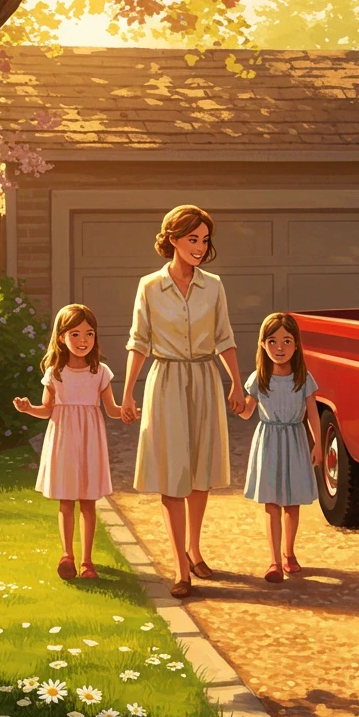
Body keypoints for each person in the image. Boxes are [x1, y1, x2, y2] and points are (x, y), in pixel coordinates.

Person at [121, 205, 245, 599]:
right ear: (172, 239)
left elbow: (224, 337)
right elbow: (138, 342)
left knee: (200, 473)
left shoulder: (215, 286)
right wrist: (127, 393)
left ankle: (194, 549)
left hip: (205, 379)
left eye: (204, 240)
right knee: (173, 474)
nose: (199, 247)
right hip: (167, 381)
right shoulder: (149, 287)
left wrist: (237, 384)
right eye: (192, 238)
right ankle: (179, 567)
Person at [14, 304, 122, 580]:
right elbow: (48, 409)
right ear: (61, 337)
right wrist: (29, 408)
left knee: (88, 501)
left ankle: (87, 561)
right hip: (63, 439)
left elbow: (111, 409)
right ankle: (67, 556)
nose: (83, 340)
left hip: (90, 440)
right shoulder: (55, 372)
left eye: (89, 334)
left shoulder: (101, 372)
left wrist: (129, 412)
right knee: (66, 500)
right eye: (75, 334)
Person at [241, 312, 322, 582]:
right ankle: (273, 559)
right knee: (272, 502)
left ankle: (289, 553)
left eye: (287, 342)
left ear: (296, 345)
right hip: (269, 442)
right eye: (273, 341)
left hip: (295, 441)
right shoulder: (258, 378)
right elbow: (247, 412)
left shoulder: (303, 378)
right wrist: (238, 405)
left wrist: (318, 444)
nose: (280, 348)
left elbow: (312, 413)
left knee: (293, 502)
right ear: (263, 344)